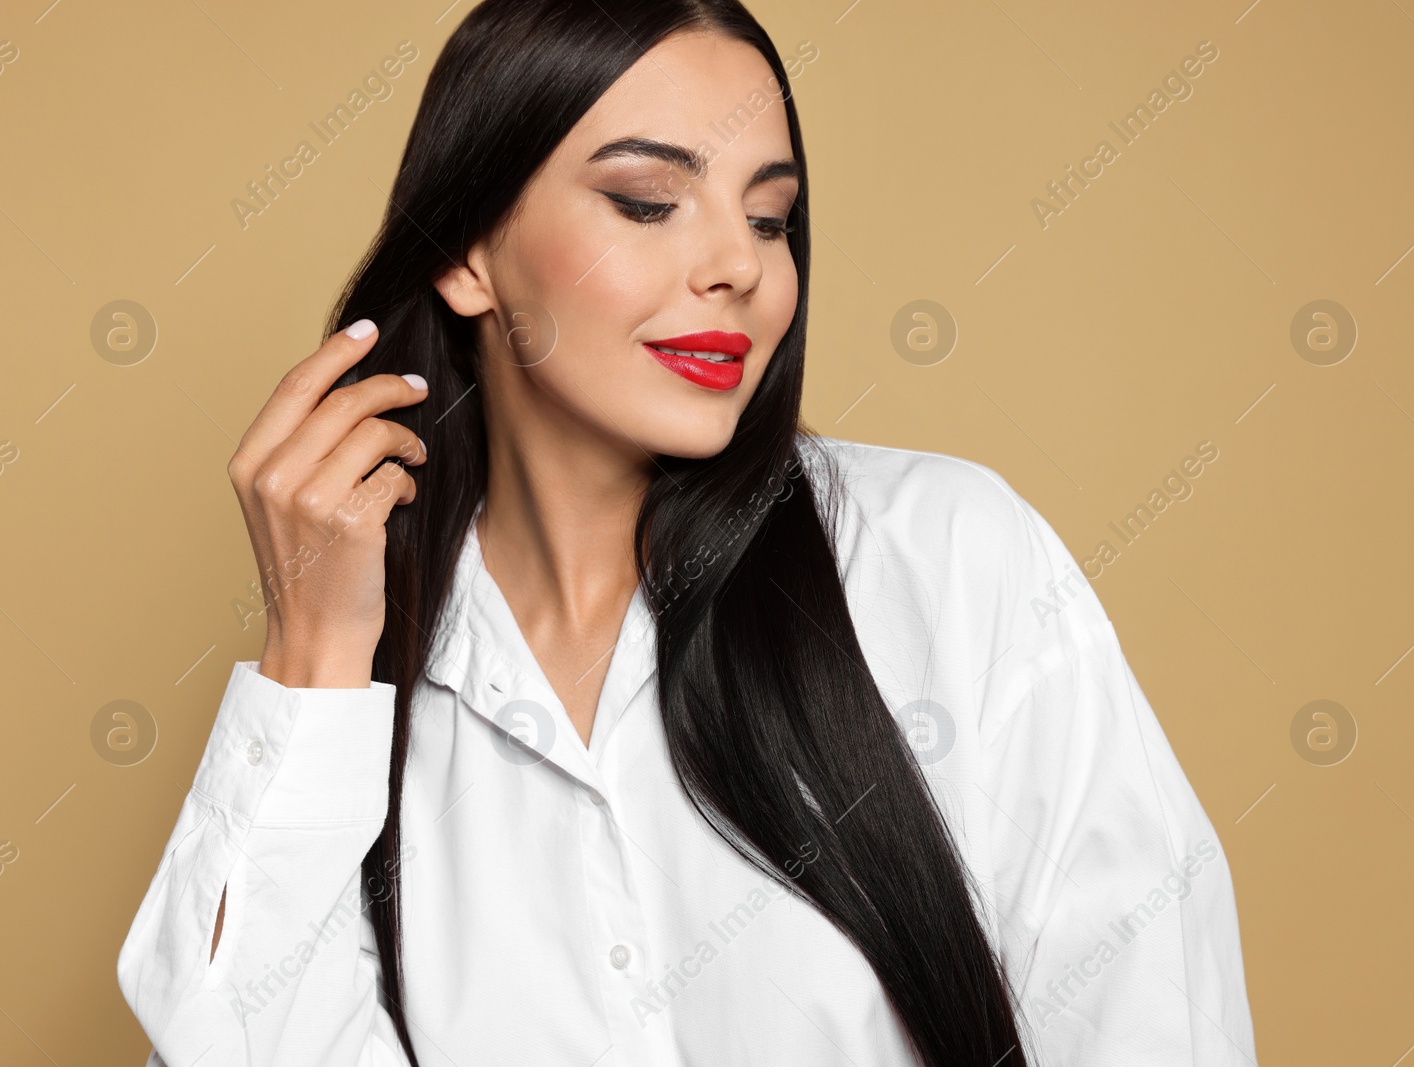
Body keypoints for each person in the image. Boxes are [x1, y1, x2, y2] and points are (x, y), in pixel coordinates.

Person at [117, 0, 1258, 1063]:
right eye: (648, 202)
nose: (742, 265)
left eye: (771, 217)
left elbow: (1156, 1013)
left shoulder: (948, 558)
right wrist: (311, 662)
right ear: (467, 252)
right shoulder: (373, 687)